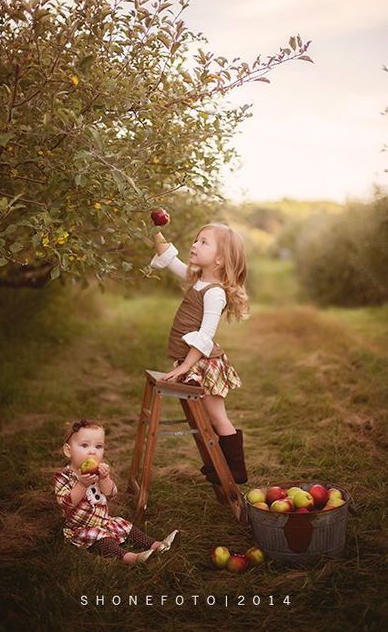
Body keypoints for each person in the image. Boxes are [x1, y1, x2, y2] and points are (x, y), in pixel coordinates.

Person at [150, 219, 249, 484]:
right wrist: (153, 229)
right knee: (207, 417)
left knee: (217, 417)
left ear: (219, 259)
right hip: (194, 363)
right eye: (196, 239)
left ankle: (236, 470)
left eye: (204, 242)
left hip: (204, 364)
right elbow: (170, 260)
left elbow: (206, 336)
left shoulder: (214, 293)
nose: (194, 245)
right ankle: (220, 463)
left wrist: (184, 367)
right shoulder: (196, 280)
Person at [53, 419, 179, 565]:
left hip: (104, 521)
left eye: (98, 446)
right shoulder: (64, 477)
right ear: (68, 450)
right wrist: (81, 485)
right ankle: (130, 558)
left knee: (124, 525)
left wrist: (105, 478)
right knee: (101, 538)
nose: (92, 451)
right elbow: (65, 503)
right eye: (84, 445)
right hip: (80, 528)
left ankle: (157, 545)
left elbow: (110, 494)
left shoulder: (98, 472)